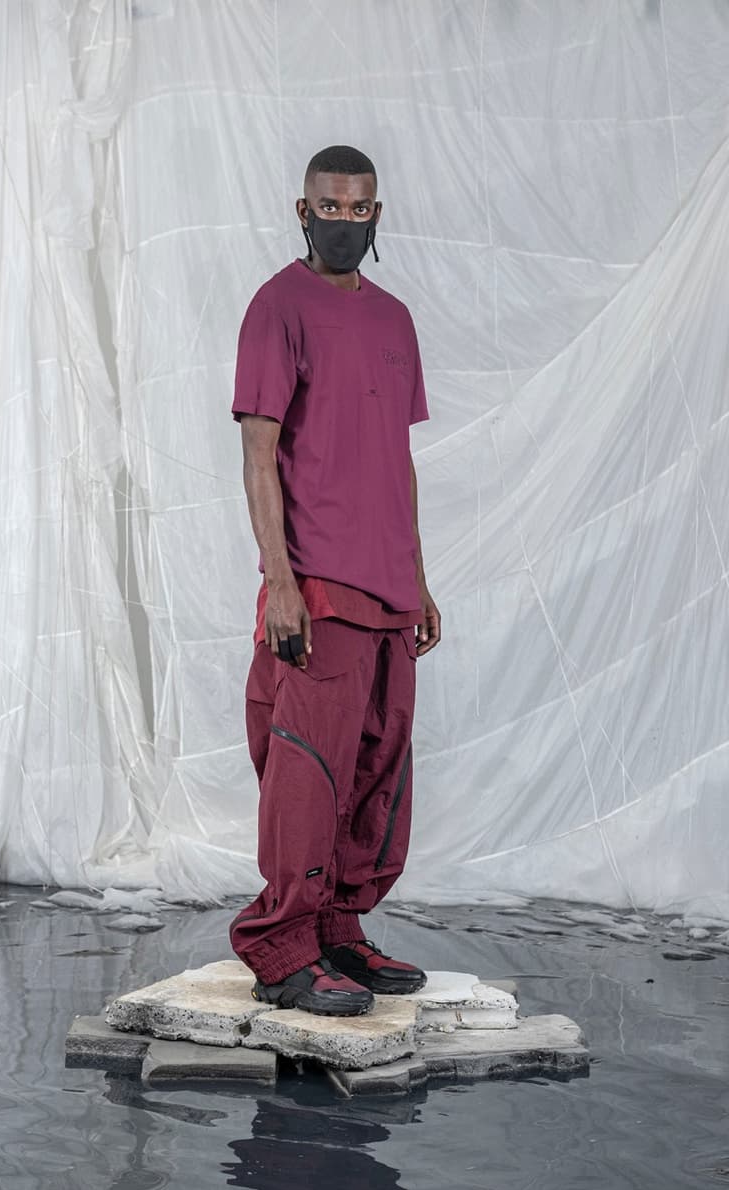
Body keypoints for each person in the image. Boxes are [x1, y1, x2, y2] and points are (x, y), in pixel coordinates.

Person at [229, 144, 440, 1017]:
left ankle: (338, 929)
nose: (343, 223)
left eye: (359, 210)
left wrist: (419, 576)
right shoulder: (277, 308)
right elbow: (258, 455)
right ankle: (281, 945)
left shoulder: (394, 319)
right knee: (308, 773)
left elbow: (397, 458)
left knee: (377, 768)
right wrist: (280, 583)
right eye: (329, 207)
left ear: (376, 215)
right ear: (303, 210)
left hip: (389, 586)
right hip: (317, 583)